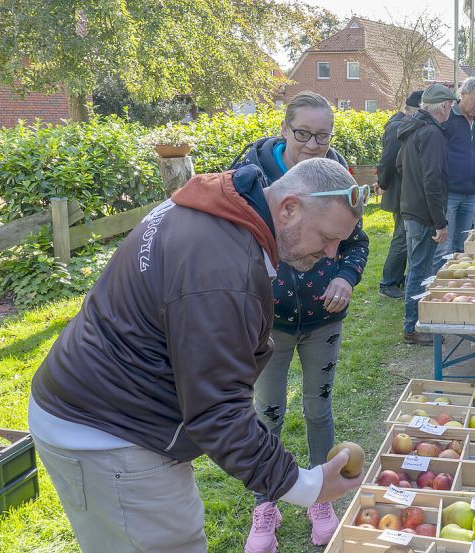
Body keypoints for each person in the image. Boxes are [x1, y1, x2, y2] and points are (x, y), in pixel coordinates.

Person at [28, 157, 365, 553]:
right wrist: (307, 486)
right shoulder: (221, 271)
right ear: (289, 208)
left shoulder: (225, 204)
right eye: (327, 237)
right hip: (109, 435)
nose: (330, 254)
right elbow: (217, 411)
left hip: (110, 413)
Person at [227, 91, 370, 551]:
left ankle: (319, 500)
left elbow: (356, 242)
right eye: (304, 133)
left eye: (323, 135)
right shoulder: (251, 180)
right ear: (284, 130)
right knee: (267, 413)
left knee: (318, 410)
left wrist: (346, 278)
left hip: (324, 320)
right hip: (271, 324)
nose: (313, 144)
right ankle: (265, 504)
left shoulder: (340, 179)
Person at [398, 84, 455, 345]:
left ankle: (413, 324)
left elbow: (400, 166)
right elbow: (432, 180)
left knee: (416, 268)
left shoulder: (412, 129)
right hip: (423, 213)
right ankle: (413, 327)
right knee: (420, 271)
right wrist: (439, 222)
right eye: (450, 105)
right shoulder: (431, 133)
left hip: (411, 208)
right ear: (444, 106)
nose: (451, 110)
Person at [432, 77, 475, 271]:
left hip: (469, 196)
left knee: (462, 245)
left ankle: (457, 292)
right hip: (448, 194)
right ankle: (436, 293)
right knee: (443, 248)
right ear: (462, 94)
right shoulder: (447, 120)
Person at [377, 90, 423, 299]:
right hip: (398, 189)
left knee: (404, 235)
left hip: (404, 188)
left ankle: (399, 277)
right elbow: (387, 160)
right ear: (413, 109)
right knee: (401, 238)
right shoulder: (398, 127)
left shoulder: (402, 124)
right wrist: (382, 184)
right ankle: (388, 282)